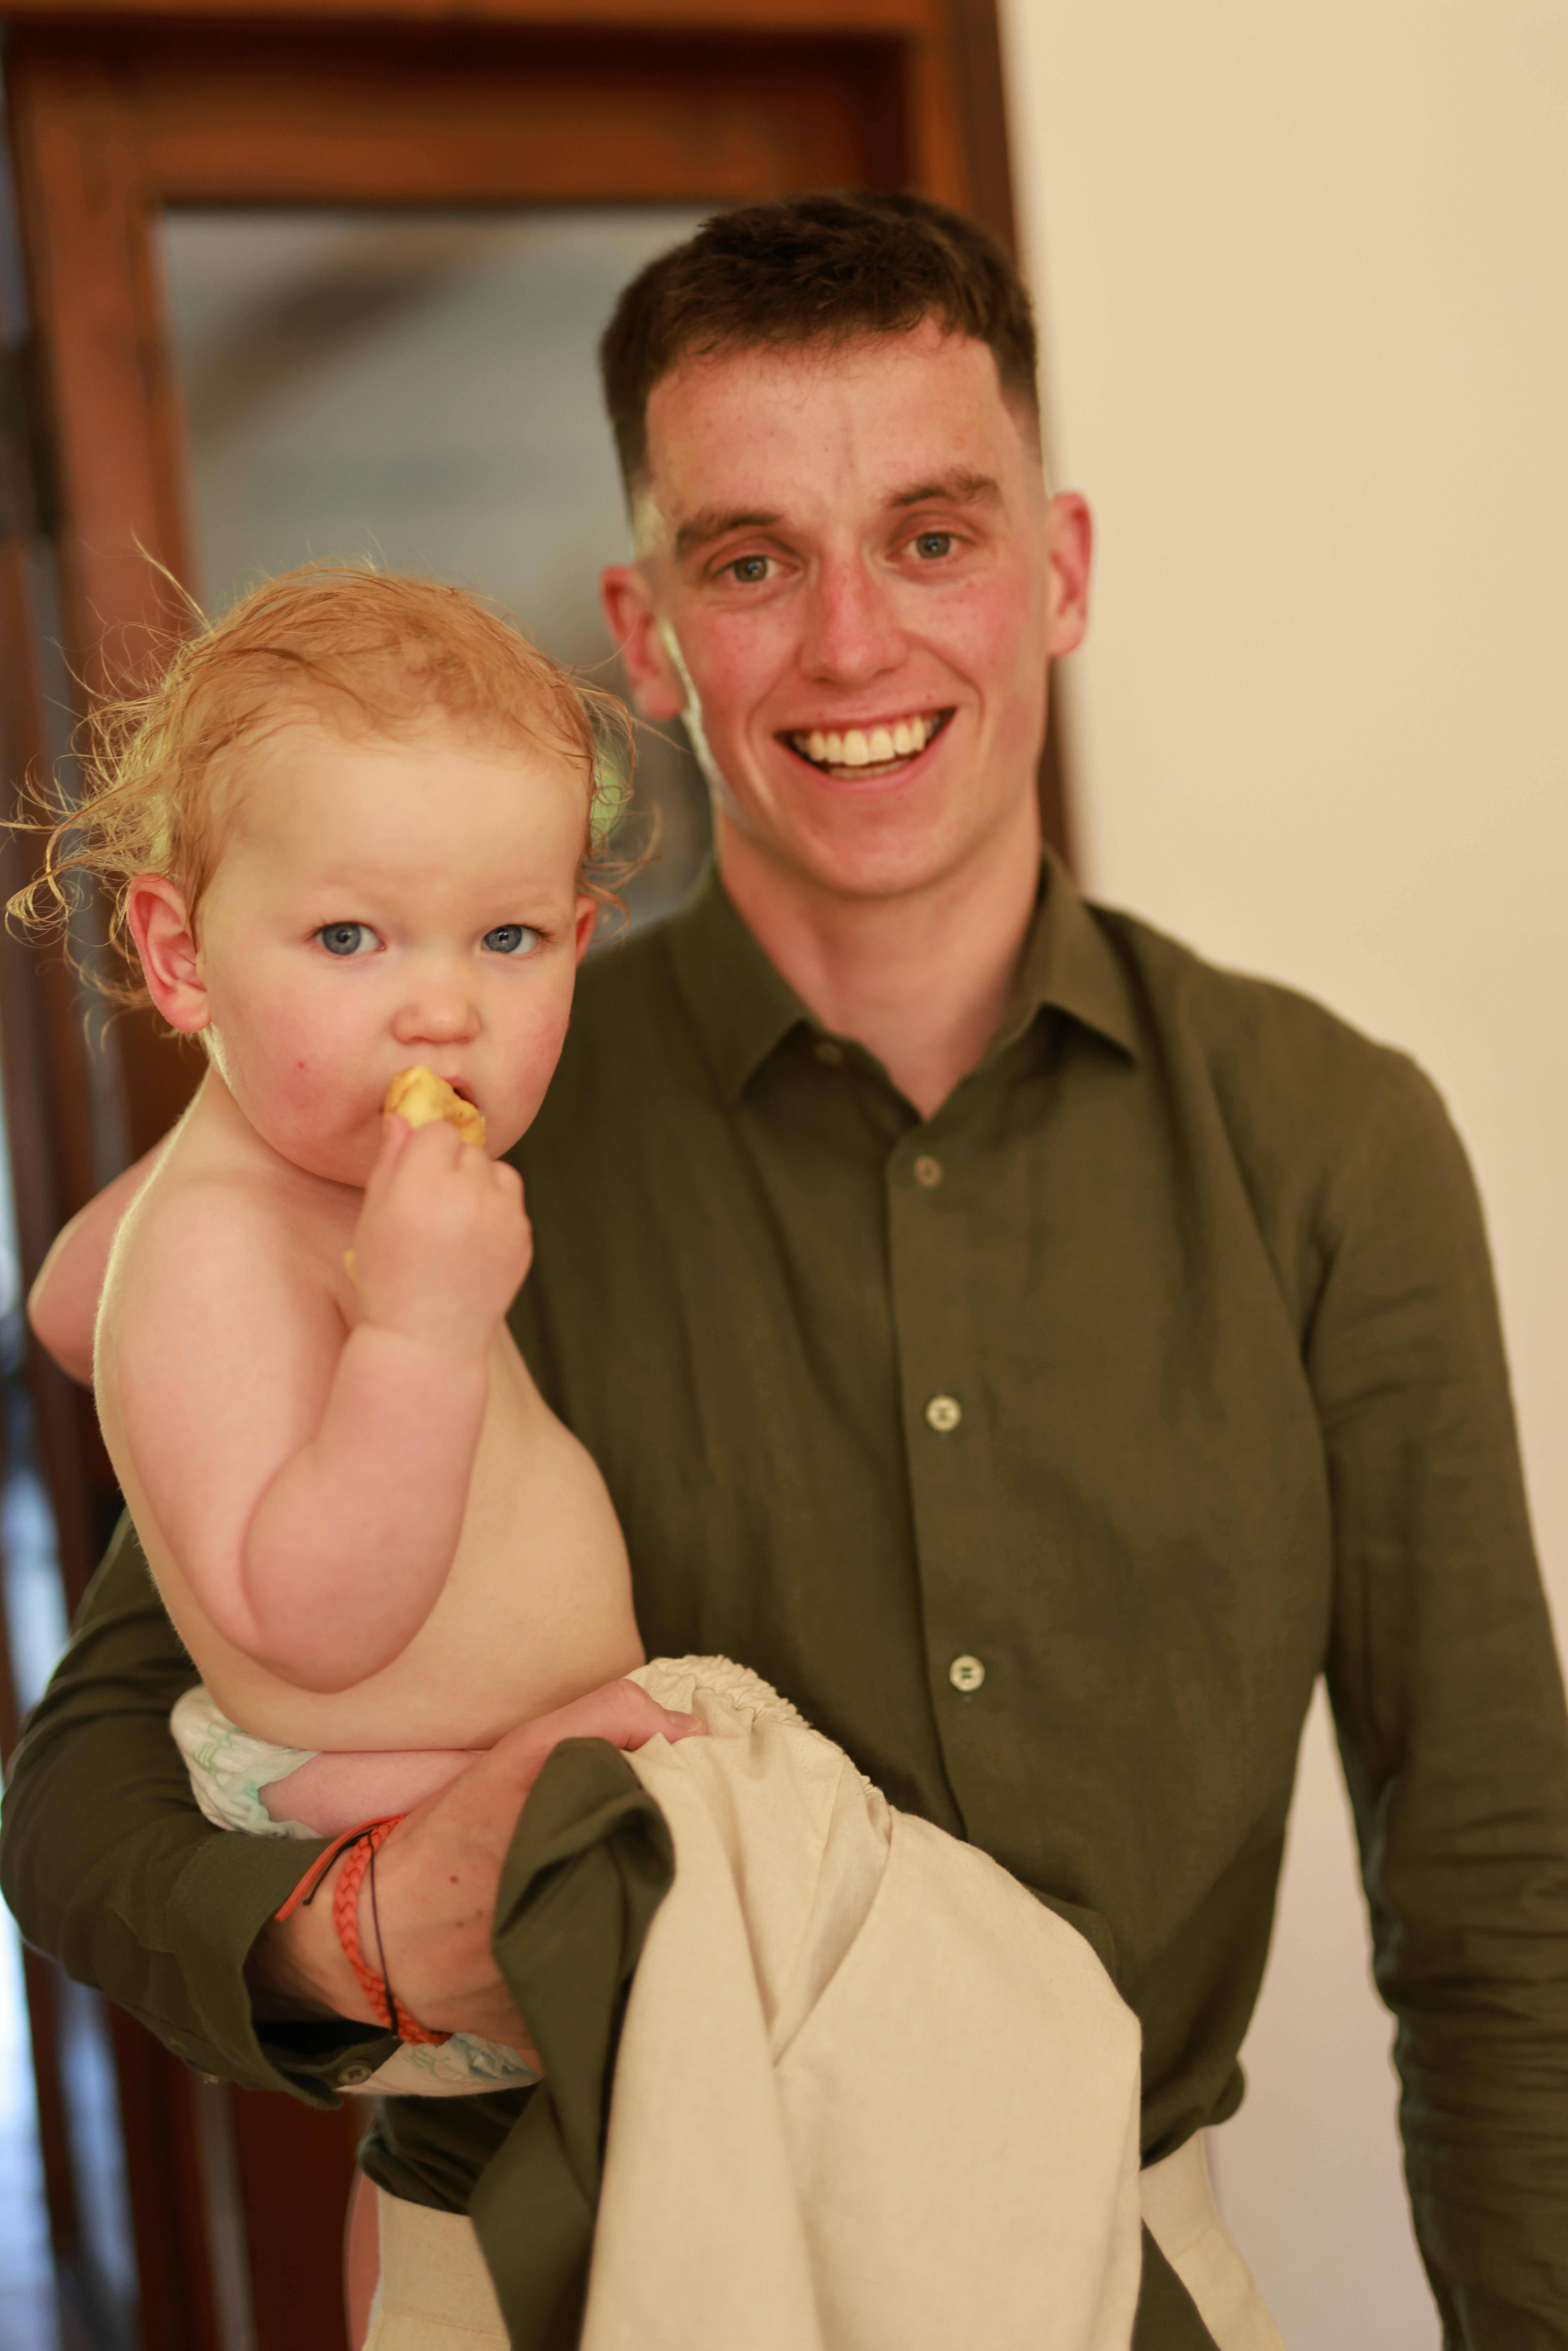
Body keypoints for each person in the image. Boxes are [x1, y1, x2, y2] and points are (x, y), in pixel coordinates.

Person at [5, 190, 1568, 2348]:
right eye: (754, 562)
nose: (851, 647)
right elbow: (87, 1787)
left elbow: (1501, 1895)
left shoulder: (1327, 1143)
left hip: (1106, 2281)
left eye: (931, 535)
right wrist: (365, 1937)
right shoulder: (415, 1132)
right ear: (647, 636)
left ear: (1060, 573)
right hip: (555, 2274)